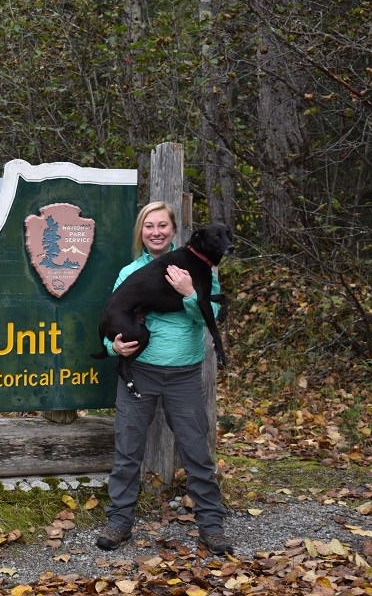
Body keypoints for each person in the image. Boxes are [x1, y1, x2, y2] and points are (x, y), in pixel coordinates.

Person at [95, 201, 234, 556]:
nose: (155, 232)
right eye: (148, 226)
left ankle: (211, 526)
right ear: (141, 232)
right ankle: (119, 522)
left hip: (184, 375)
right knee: (128, 451)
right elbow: (112, 318)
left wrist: (189, 292)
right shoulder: (130, 271)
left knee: (196, 452)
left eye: (162, 225)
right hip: (140, 374)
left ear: (173, 230)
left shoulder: (199, 265)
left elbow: (211, 315)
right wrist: (114, 349)